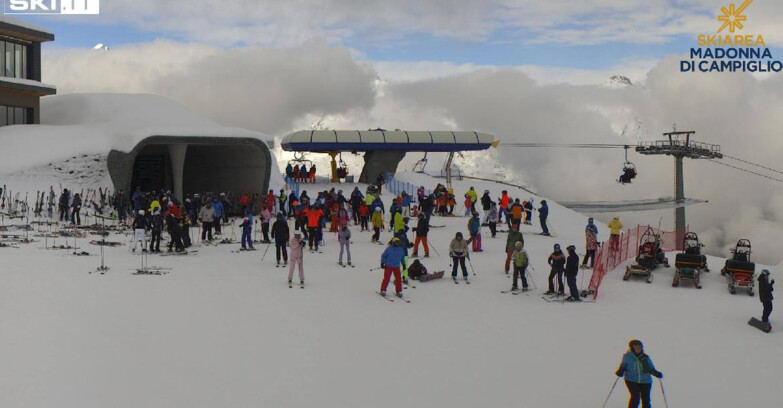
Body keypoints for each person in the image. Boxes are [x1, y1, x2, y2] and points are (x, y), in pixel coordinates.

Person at [615, 339, 663, 408]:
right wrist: (620, 371)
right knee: (635, 397)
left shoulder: (645, 357)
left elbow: (650, 368)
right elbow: (623, 366)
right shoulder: (627, 357)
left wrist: (656, 373)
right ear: (631, 348)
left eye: (640, 347)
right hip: (631, 380)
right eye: (636, 347)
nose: (638, 349)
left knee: (646, 399)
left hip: (646, 380)